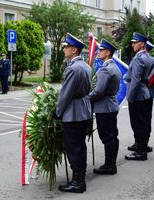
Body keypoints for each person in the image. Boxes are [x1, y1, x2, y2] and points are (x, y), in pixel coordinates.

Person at [54, 33, 92, 193]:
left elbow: (65, 95)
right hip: (83, 111)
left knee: (73, 147)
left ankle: (77, 183)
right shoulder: (86, 66)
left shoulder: (73, 68)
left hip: (73, 113)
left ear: (74, 50)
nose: (64, 50)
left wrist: (57, 112)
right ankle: (80, 178)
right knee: (80, 146)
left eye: (66, 47)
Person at [88, 38, 121, 175]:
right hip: (111, 106)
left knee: (107, 137)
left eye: (101, 50)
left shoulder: (105, 70)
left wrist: (85, 99)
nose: (98, 52)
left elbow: (98, 91)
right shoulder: (115, 67)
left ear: (107, 52)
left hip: (104, 108)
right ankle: (111, 164)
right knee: (113, 136)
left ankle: (109, 166)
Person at [124, 32, 153, 161]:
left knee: (137, 124)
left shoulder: (138, 58)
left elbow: (135, 80)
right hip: (144, 93)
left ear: (142, 44)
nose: (132, 44)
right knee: (143, 122)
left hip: (137, 96)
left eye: (135, 42)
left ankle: (140, 152)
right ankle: (142, 147)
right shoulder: (148, 57)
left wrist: (130, 98)